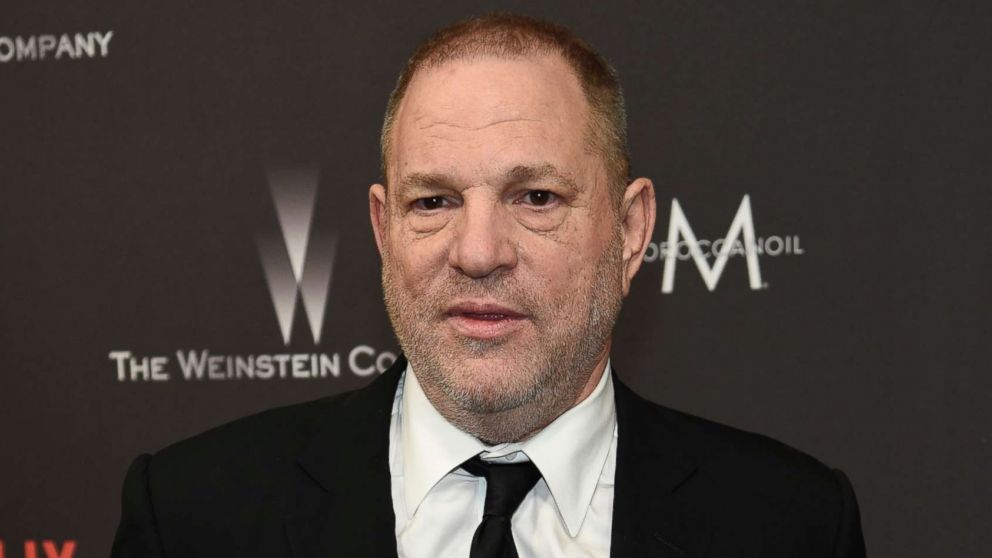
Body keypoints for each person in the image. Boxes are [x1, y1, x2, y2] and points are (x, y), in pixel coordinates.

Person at [112, 13, 866, 558]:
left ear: (632, 231)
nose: (477, 253)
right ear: (384, 231)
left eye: (535, 198)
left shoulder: (789, 525)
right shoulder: (190, 517)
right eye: (433, 201)